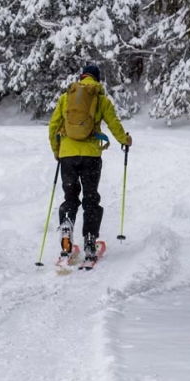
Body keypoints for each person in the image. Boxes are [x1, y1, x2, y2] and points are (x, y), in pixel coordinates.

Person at [48, 64, 131, 264]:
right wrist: (125, 140)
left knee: (70, 196)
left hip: (67, 156)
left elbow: (53, 126)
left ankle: (66, 231)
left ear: (81, 77)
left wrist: (57, 151)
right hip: (91, 157)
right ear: (97, 79)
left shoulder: (66, 97)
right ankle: (90, 241)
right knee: (90, 198)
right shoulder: (101, 99)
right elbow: (114, 124)